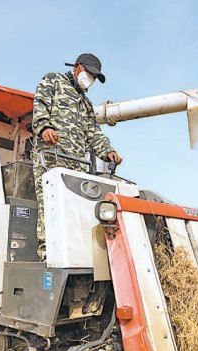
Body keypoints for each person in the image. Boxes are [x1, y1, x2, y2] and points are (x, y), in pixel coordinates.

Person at [32, 53, 123, 260]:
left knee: (78, 209)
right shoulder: (53, 80)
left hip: (77, 163)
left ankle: (76, 254)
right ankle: (48, 255)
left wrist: (107, 151)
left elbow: (94, 133)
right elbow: (40, 106)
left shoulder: (86, 104)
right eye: (88, 73)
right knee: (50, 205)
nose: (89, 79)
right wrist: (44, 126)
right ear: (77, 67)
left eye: (94, 77)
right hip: (51, 157)